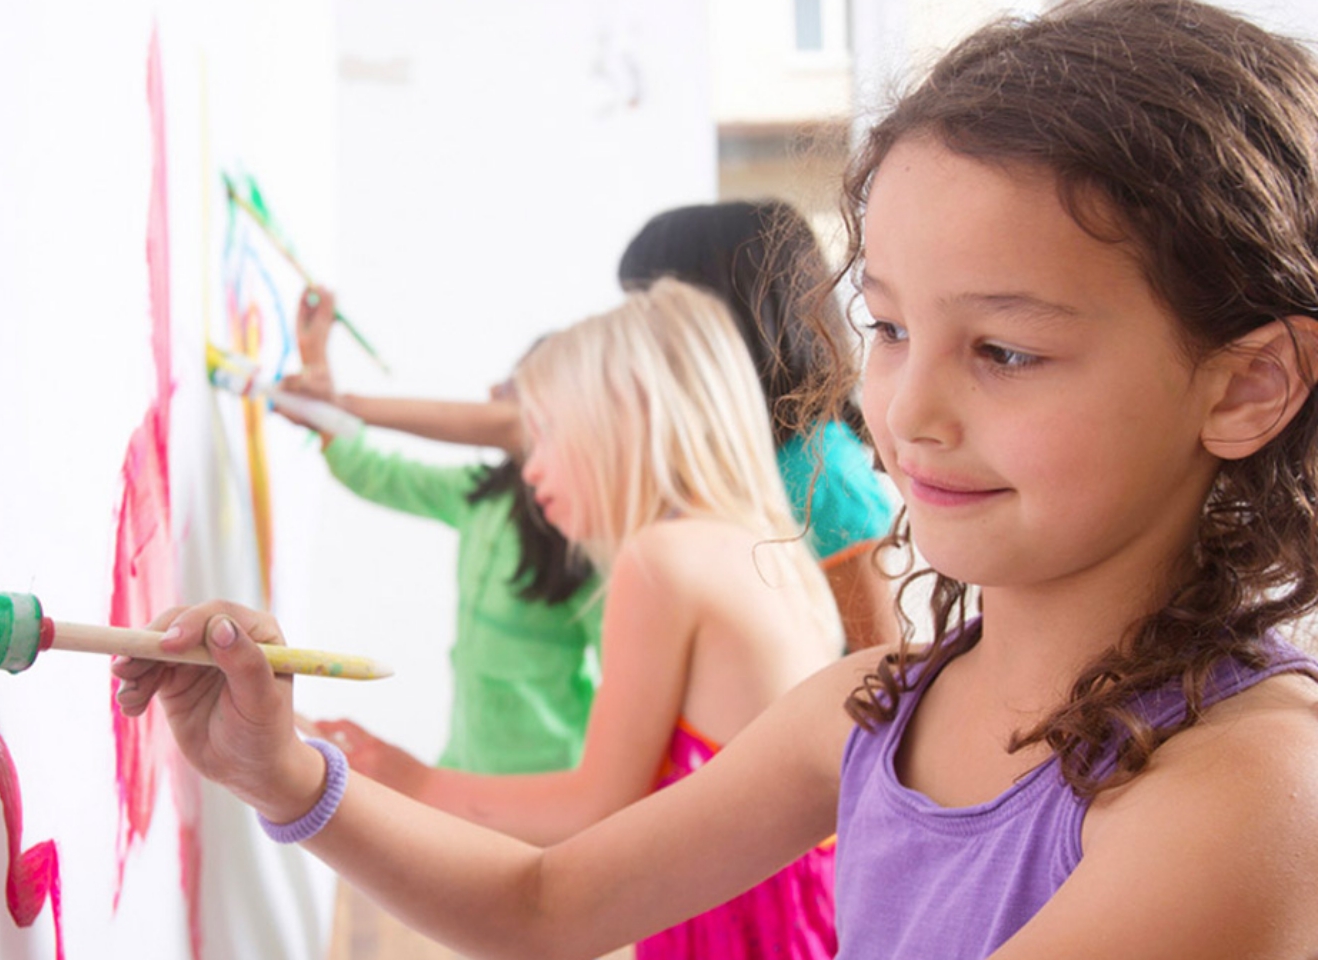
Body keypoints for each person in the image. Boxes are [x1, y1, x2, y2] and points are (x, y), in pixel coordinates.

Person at [113, 1, 1318, 956]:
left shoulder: (1251, 789)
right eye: (889, 329)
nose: (906, 411)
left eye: (1003, 350)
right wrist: (281, 773)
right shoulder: (874, 707)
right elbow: (546, 906)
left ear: (1244, 388)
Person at [317, 278, 844, 958]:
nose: (530, 471)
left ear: (625, 420)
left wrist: (410, 781)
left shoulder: (662, 560)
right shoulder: (760, 545)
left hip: (737, 928)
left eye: (546, 436)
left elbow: (595, 807)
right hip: (800, 911)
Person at [280, 287, 602, 777]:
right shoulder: (483, 496)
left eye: (514, 389)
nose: (493, 393)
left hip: (548, 786)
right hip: (462, 769)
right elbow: (370, 470)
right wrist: (316, 366)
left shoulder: (594, 544)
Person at [618, 200, 900, 651]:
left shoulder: (820, 477)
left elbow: (880, 668)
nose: (631, 341)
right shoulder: (726, 462)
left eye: (650, 316)